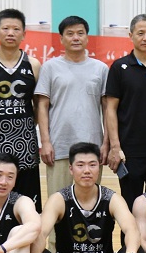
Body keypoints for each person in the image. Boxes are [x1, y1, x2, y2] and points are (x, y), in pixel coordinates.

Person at [37, 142, 142, 253]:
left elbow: (132, 229)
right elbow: (40, 234)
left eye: (92, 165)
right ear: (71, 169)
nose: (87, 170)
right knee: (34, 252)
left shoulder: (111, 198)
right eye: (80, 165)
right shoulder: (59, 199)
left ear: (99, 168)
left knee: (138, 250)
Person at [0, 9, 42, 208]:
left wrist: (27, 126)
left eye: (16, 29)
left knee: (27, 202)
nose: (11, 33)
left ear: (24, 34)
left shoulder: (33, 65)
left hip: (24, 142)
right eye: (6, 28)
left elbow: (39, 105)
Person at [35, 16, 109, 199]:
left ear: (87, 37)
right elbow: (42, 106)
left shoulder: (101, 69)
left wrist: (106, 143)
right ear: (61, 39)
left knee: (90, 202)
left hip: (92, 147)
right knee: (58, 201)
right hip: (59, 146)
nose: (76, 37)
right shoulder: (50, 67)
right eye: (70, 34)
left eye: (80, 33)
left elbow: (108, 109)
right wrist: (45, 142)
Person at [104, 13, 146, 208]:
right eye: (140, 33)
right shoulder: (119, 67)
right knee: (130, 205)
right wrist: (115, 146)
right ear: (131, 35)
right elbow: (110, 109)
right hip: (129, 151)